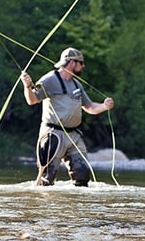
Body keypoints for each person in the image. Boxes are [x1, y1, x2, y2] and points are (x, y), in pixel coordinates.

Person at [20, 47, 114, 186]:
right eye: (81, 63)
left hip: (74, 136)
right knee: (47, 180)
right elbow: (32, 100)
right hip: (53, 136)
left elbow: (90, 107)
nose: (83, 66)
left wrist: (104, 106)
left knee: (82, 177)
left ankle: (74, 207)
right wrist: (27, 86)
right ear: (72, 63)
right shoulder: (49, 80)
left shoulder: (77, 84)